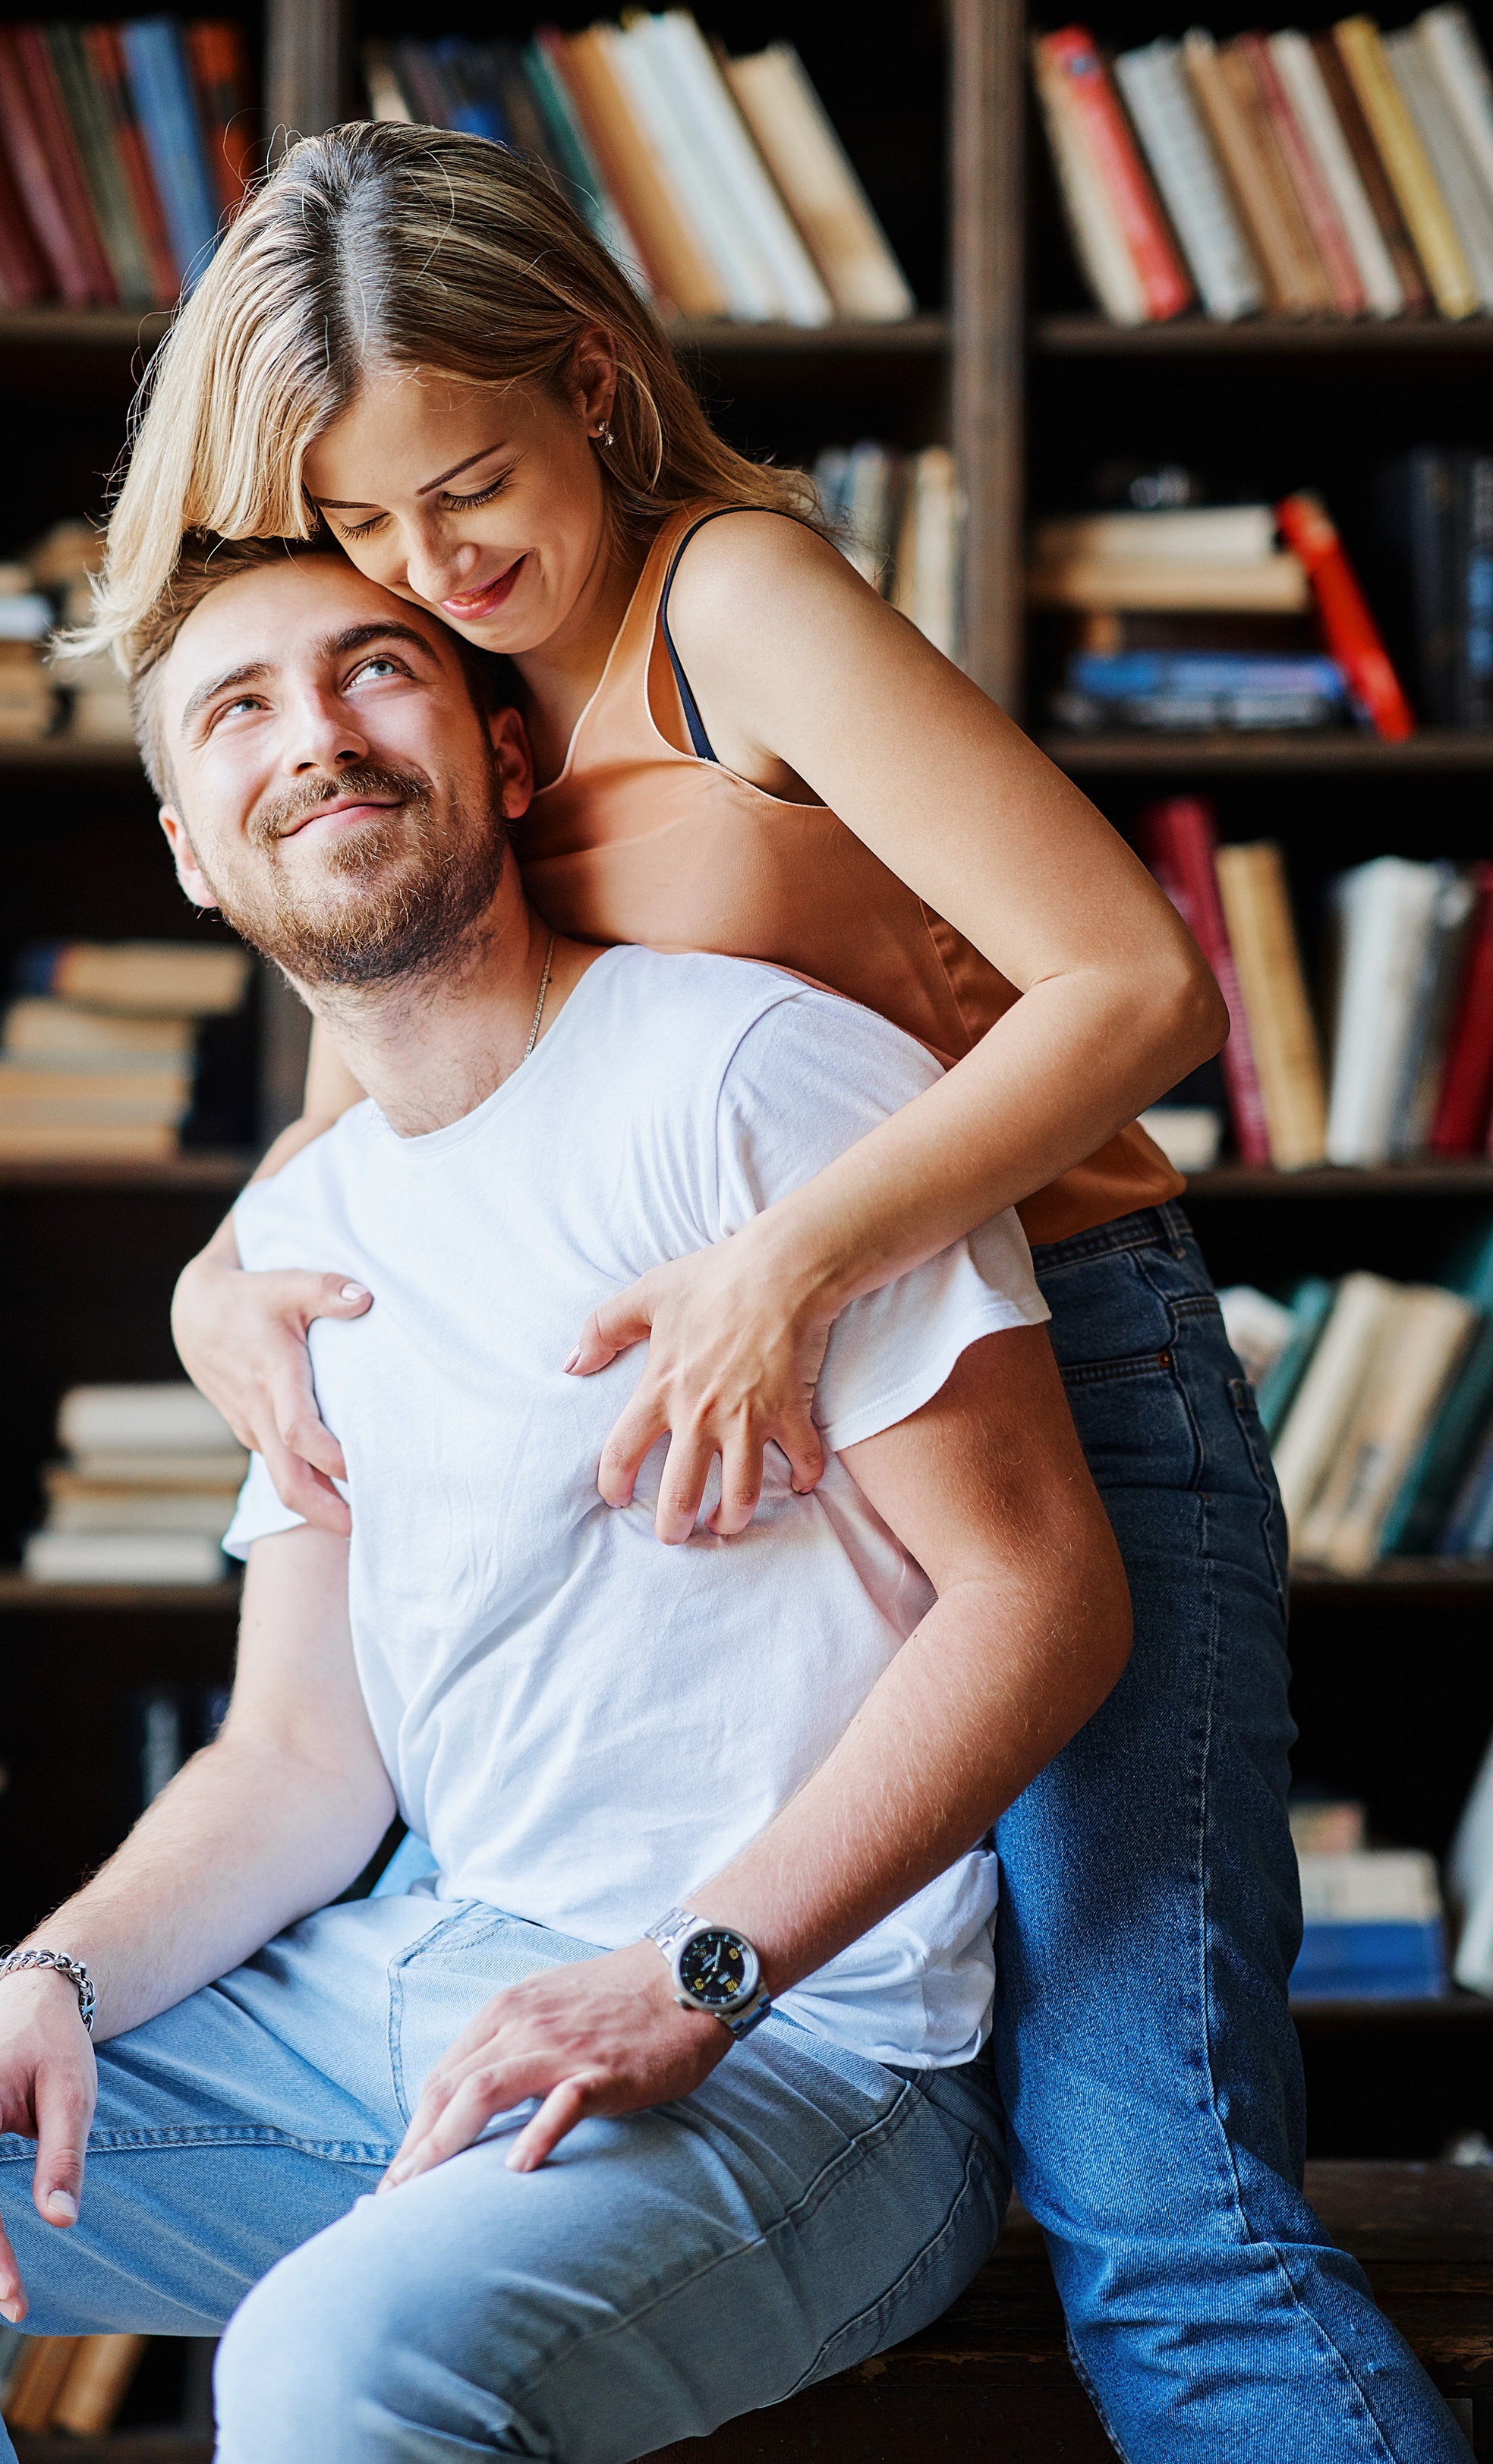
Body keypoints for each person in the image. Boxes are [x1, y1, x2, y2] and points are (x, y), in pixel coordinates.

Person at [92, 124, 1472, 2462]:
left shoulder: (726, 601)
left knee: (1160, 2210)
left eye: (474, 483)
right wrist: (214, 1271)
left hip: (1062, 1392)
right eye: (362, 521)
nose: (430, 562)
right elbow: (371, 1086)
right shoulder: (458, 684)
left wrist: (790, 1257)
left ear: (600, 384)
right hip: (776, 1476)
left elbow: (1137, 986)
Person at [0, 541, 1132, 2464]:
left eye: (374, 670)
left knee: (330, 2369)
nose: (319, 738)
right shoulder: (290, 1240)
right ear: (192, 844)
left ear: (507, 758)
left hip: (809, 2044)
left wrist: (690, 1972)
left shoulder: (744, 1074)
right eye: (240, 708)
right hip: (411, 1977)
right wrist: (49, 1980)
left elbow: (1041, 1596)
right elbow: (293, 1758)